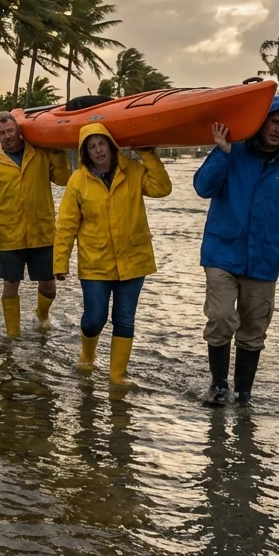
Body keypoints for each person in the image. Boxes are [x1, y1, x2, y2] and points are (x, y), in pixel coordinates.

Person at [194, 96, 279, 405]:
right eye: (274, 122)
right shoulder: (233, 151)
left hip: (265, 261)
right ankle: (218, 386)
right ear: (262, 121)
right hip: (221, 254)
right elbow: (203, 187)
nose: (278, 130)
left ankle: (243, 395)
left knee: (254, 329)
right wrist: (222, 153)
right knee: (221, 316)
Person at [53, 124, 172, 384]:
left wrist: (148, 155)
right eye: (92, 146)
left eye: (102, 144)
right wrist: (60, 262)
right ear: (85, 152)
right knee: (94, 319)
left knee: (124, 319)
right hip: (96, 261)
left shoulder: (133, 169)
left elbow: (162, 188)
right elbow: (66, 225)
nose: (98, 150)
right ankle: (87, 356)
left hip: (134, 259)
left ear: (111, 145)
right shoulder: (78, 180)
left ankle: (117, 376)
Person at [0, 111, 72, 337]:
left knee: (49, 286)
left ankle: (42, 316)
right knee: (9, 287)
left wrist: (57, 153)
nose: (7, 136)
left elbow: (64, 179)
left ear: (19, 130)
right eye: (2, 133)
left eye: (10, 131)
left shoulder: (41, 153)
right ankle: (12, 335)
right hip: (9, 236)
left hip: (42, 232)